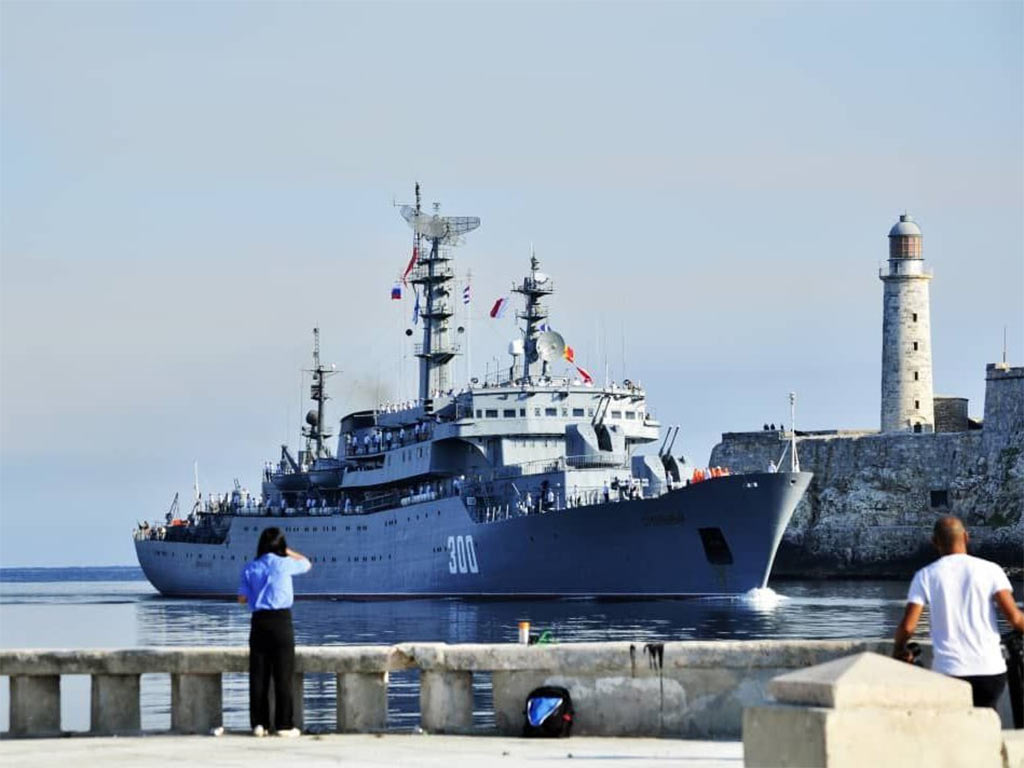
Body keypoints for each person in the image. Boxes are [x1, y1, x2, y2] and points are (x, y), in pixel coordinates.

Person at [892, 516, 1024, 709]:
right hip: (990, 670)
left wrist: (899, 649)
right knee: (986, 721)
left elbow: (908, 626)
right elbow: (1014, 618)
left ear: (935, 542)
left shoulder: (926, 575)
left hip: (949, 671)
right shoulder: (991, 570)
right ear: (966, 537)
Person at [238, 527, 312, 737]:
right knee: (283, 675)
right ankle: (283, 725)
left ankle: (259, 725)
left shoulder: (250, 567)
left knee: (258, 676)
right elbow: (307, 564)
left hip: (259, 622)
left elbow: (241, 599)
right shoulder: (285, 564)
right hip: (281, 622)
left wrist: (256, 594)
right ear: (280, 546)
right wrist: (287, 551)